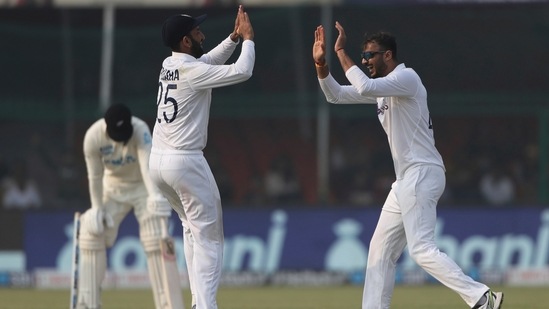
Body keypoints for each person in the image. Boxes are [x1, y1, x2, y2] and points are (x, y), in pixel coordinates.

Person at [312, 23, 504, 309]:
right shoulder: (382, 90)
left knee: (422, 249)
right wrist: (321, 64)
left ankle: (482, 297)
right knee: (379, 253)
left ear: (388, 55)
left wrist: (340, 50)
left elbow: (362, 85)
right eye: (362, 55)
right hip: (405, 181)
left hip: (422, 172)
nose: (364, 61)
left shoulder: (407, 78)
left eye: (369, 55)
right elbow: (335, 95)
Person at [148, 6, 255, 309]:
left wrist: (233, 39)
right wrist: (248, 40)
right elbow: (243, 71)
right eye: (196, 32)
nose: (202, 34)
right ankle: (205, 305)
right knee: (210, 238)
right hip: (185, 162)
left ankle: (198, 301)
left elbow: (207, 62)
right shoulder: (191, 70)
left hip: (158, 162)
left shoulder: (169, 65)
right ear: (185, 41)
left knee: (189, 228)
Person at [79, 103, 183, 309]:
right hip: (112, 189)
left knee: (155, 236)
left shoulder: (140, 129)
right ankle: (88, 303)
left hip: (142, 188)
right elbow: (95, 176)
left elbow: (147, 166)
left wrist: (155, 196)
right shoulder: (93, 137)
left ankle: (167, 305)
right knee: (91, 232)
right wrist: (97, 208)